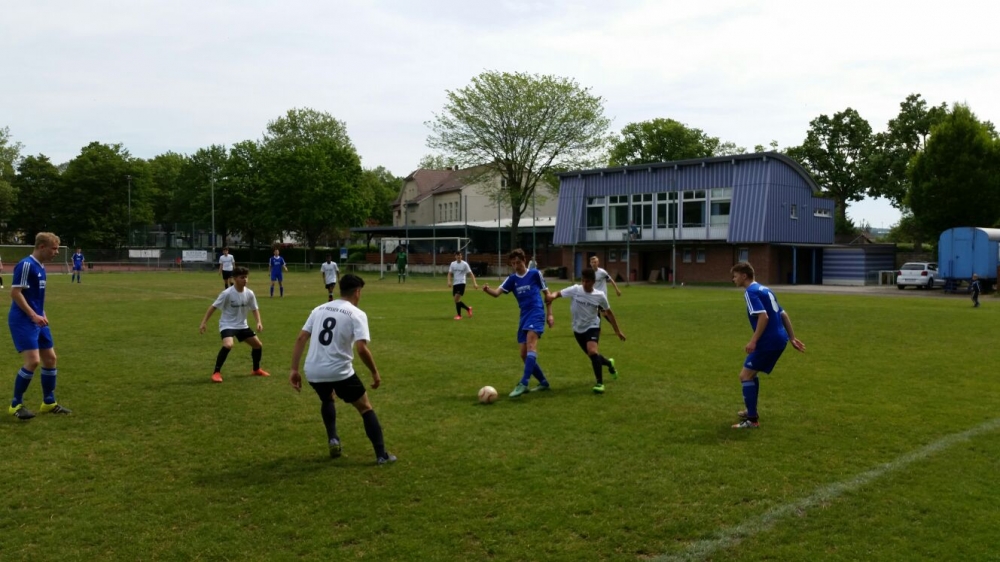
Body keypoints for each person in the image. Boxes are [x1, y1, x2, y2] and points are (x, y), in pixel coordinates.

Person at [289, 274, 396, 465]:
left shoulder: (319, 309)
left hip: (313, 370)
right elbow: (361, 348)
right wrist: (374, 372)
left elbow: (301, 338)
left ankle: (333, 439)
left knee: (327, 398)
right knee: (365, 408)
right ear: (357, 292)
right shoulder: (356, 314)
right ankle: (381, 455)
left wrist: (293, 370)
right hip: (339, 372)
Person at [729, 262, 805, 429]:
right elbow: (783, 314)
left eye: (735, 276)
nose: (733, 279)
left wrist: (753, 340)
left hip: (768, 341)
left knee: (745, 376)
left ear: (744, 276)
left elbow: (764, 316)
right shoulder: (765, 289)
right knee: (751, 374)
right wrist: (792, 337)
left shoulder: (750, 292)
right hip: (779, 338)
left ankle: (752, 420)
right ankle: (751, 411)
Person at [8, 232, 69, 420]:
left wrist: (41, 313)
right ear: (42, 247)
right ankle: (15, 404)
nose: (56, 252)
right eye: (54, 248)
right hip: (23, 320)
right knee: (33, 361)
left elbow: (35, 296)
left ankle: (48, 402)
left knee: (50, 359)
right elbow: (15, 293)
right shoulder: (26, 265)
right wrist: (33, 315)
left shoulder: (41, 267)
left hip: (38, 319)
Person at [482, 248, 555, 397]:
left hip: (536, 312)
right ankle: (543, 382)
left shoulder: (535, 274)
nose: (516, 266)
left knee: (531, 345)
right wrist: (487, 290)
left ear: (524, 260)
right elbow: (496, 293)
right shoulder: (512, 279)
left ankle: (524, 383)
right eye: (513, 263)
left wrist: (550, 314)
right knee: (523, 354)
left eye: (518, 262)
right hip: (524, 316)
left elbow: (547, 295)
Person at [546, 268, 626, 393]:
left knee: (592, 351)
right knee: (593, 355)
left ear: (593, 282)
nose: (584, 283)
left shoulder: (600, 295)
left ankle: (599, 384)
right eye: (582, 280)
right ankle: (609, 364)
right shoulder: (575, 289)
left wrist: (617, 331)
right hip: (577, 328)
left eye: (587, 281)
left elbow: (609, 313)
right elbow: (558, 293)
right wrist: (552, 296)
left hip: (592, 326)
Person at [199, 266, 270, 383]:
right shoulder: (227, 293)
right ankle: (216, 373)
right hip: (227, 325)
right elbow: (213, 307)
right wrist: (204, 322)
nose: (245, 280)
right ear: (235, 278)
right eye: (242, 277)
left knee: (258, 345)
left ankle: (256, 369)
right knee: (228, 345)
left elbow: (254, 308)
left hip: (242, 326)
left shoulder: (250, 293)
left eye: (246, 277)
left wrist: (259, 322)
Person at [447, 251, 478, 320]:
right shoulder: (452, 264)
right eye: (457, 255)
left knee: (456, 299)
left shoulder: (465, 264)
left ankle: (459, 315)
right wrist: (449, 281)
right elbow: (449, 273)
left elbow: (471, 274)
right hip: (455, 284)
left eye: (460, 255)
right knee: (456, 301)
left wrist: (474, 283)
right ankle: (468, 309)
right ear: (455, 256)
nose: (459, 256)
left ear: (461, 256)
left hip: (462, 283)